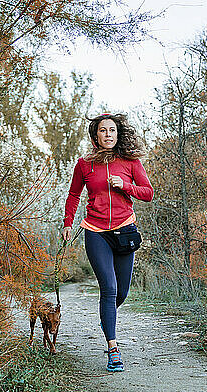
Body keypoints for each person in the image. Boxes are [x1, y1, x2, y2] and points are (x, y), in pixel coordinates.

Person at [62, 113, 153, 372]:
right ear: (96, 136)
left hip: (124, 231)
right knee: (109, 289)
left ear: (118, 133)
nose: (108, 135)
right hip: (96, 231)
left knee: (121, 292)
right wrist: (68, 222)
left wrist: (125, 185)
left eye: (112, 130)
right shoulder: (84, 165)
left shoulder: (131, 162)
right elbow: (73, 194)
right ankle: (113, 348)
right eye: (103, 131)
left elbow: (148, 193)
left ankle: (107, 317)